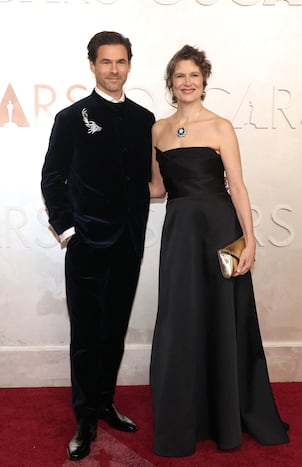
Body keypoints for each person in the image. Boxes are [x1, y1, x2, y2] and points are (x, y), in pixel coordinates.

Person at [149, 45, 289, 457]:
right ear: (170, 83)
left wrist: (250, 239)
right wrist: (107, 189)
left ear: (204, 81)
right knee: (181, 319)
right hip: (180, 234)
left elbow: (238, 187)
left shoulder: (221, 126)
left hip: (221, 231)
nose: (187, 82)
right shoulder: (156, 131)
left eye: (194, 75)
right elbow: (157, 189)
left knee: (226, 314)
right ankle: (187, 414)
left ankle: (229, 412)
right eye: (180, 76)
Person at [41, 31, 155, 461]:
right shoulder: (72, 118)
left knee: (114, 332)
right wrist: (67, 231)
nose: (113, 69)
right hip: (87, 244)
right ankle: (84, 419)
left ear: (129, 65)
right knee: (86, 337)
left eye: (121, 61)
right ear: (92, 65)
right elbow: (52, 178)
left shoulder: (146, 119)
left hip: (128, 244)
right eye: (105, 62)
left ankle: (105, 402)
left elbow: (151, 180)